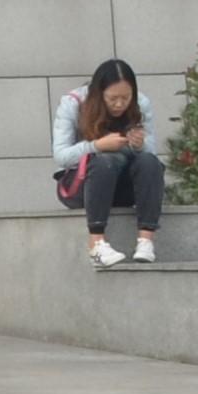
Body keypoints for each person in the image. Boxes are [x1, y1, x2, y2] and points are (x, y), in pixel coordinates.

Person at [54, 58, 161, 267]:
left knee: (149, 161)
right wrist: (96, 146)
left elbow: (151, 153)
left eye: (126, 98)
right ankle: (96, 244)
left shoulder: (141, 103)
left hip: (123, 185)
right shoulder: (73, 103)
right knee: (105, 161)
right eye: (112, 98)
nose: (119, 104)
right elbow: (61, 156)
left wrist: (139, 145)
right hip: (82, 184)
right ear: (98, 94)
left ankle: (146, 241)